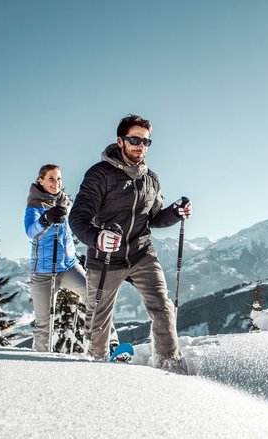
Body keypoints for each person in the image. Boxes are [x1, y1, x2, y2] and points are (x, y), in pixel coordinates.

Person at [69, 114, 192, 373]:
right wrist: (97, 237)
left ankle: (170, 364)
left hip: (141, 252)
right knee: (98, 318)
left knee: (162, 306)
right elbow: (78, 218)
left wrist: (175, 212)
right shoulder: (99, 174)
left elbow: (155, 218)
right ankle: (96, 365)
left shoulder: (151, 179)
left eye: (146, 141)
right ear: (120, 141)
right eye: (135, 139)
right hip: (105, 257)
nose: (141, 146)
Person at [25, 164, 118, 353]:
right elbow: (31, 231)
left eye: (59, 179)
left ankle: (111, 344)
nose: (56, 183)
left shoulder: (64, 203)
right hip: (43, 272)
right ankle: (40, 359)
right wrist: (46, 219)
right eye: (51, 178)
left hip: (68, 267)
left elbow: (69, 234)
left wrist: (76, 255)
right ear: (40, 181)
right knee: (44, 321)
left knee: (95, 298)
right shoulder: (34, 206)